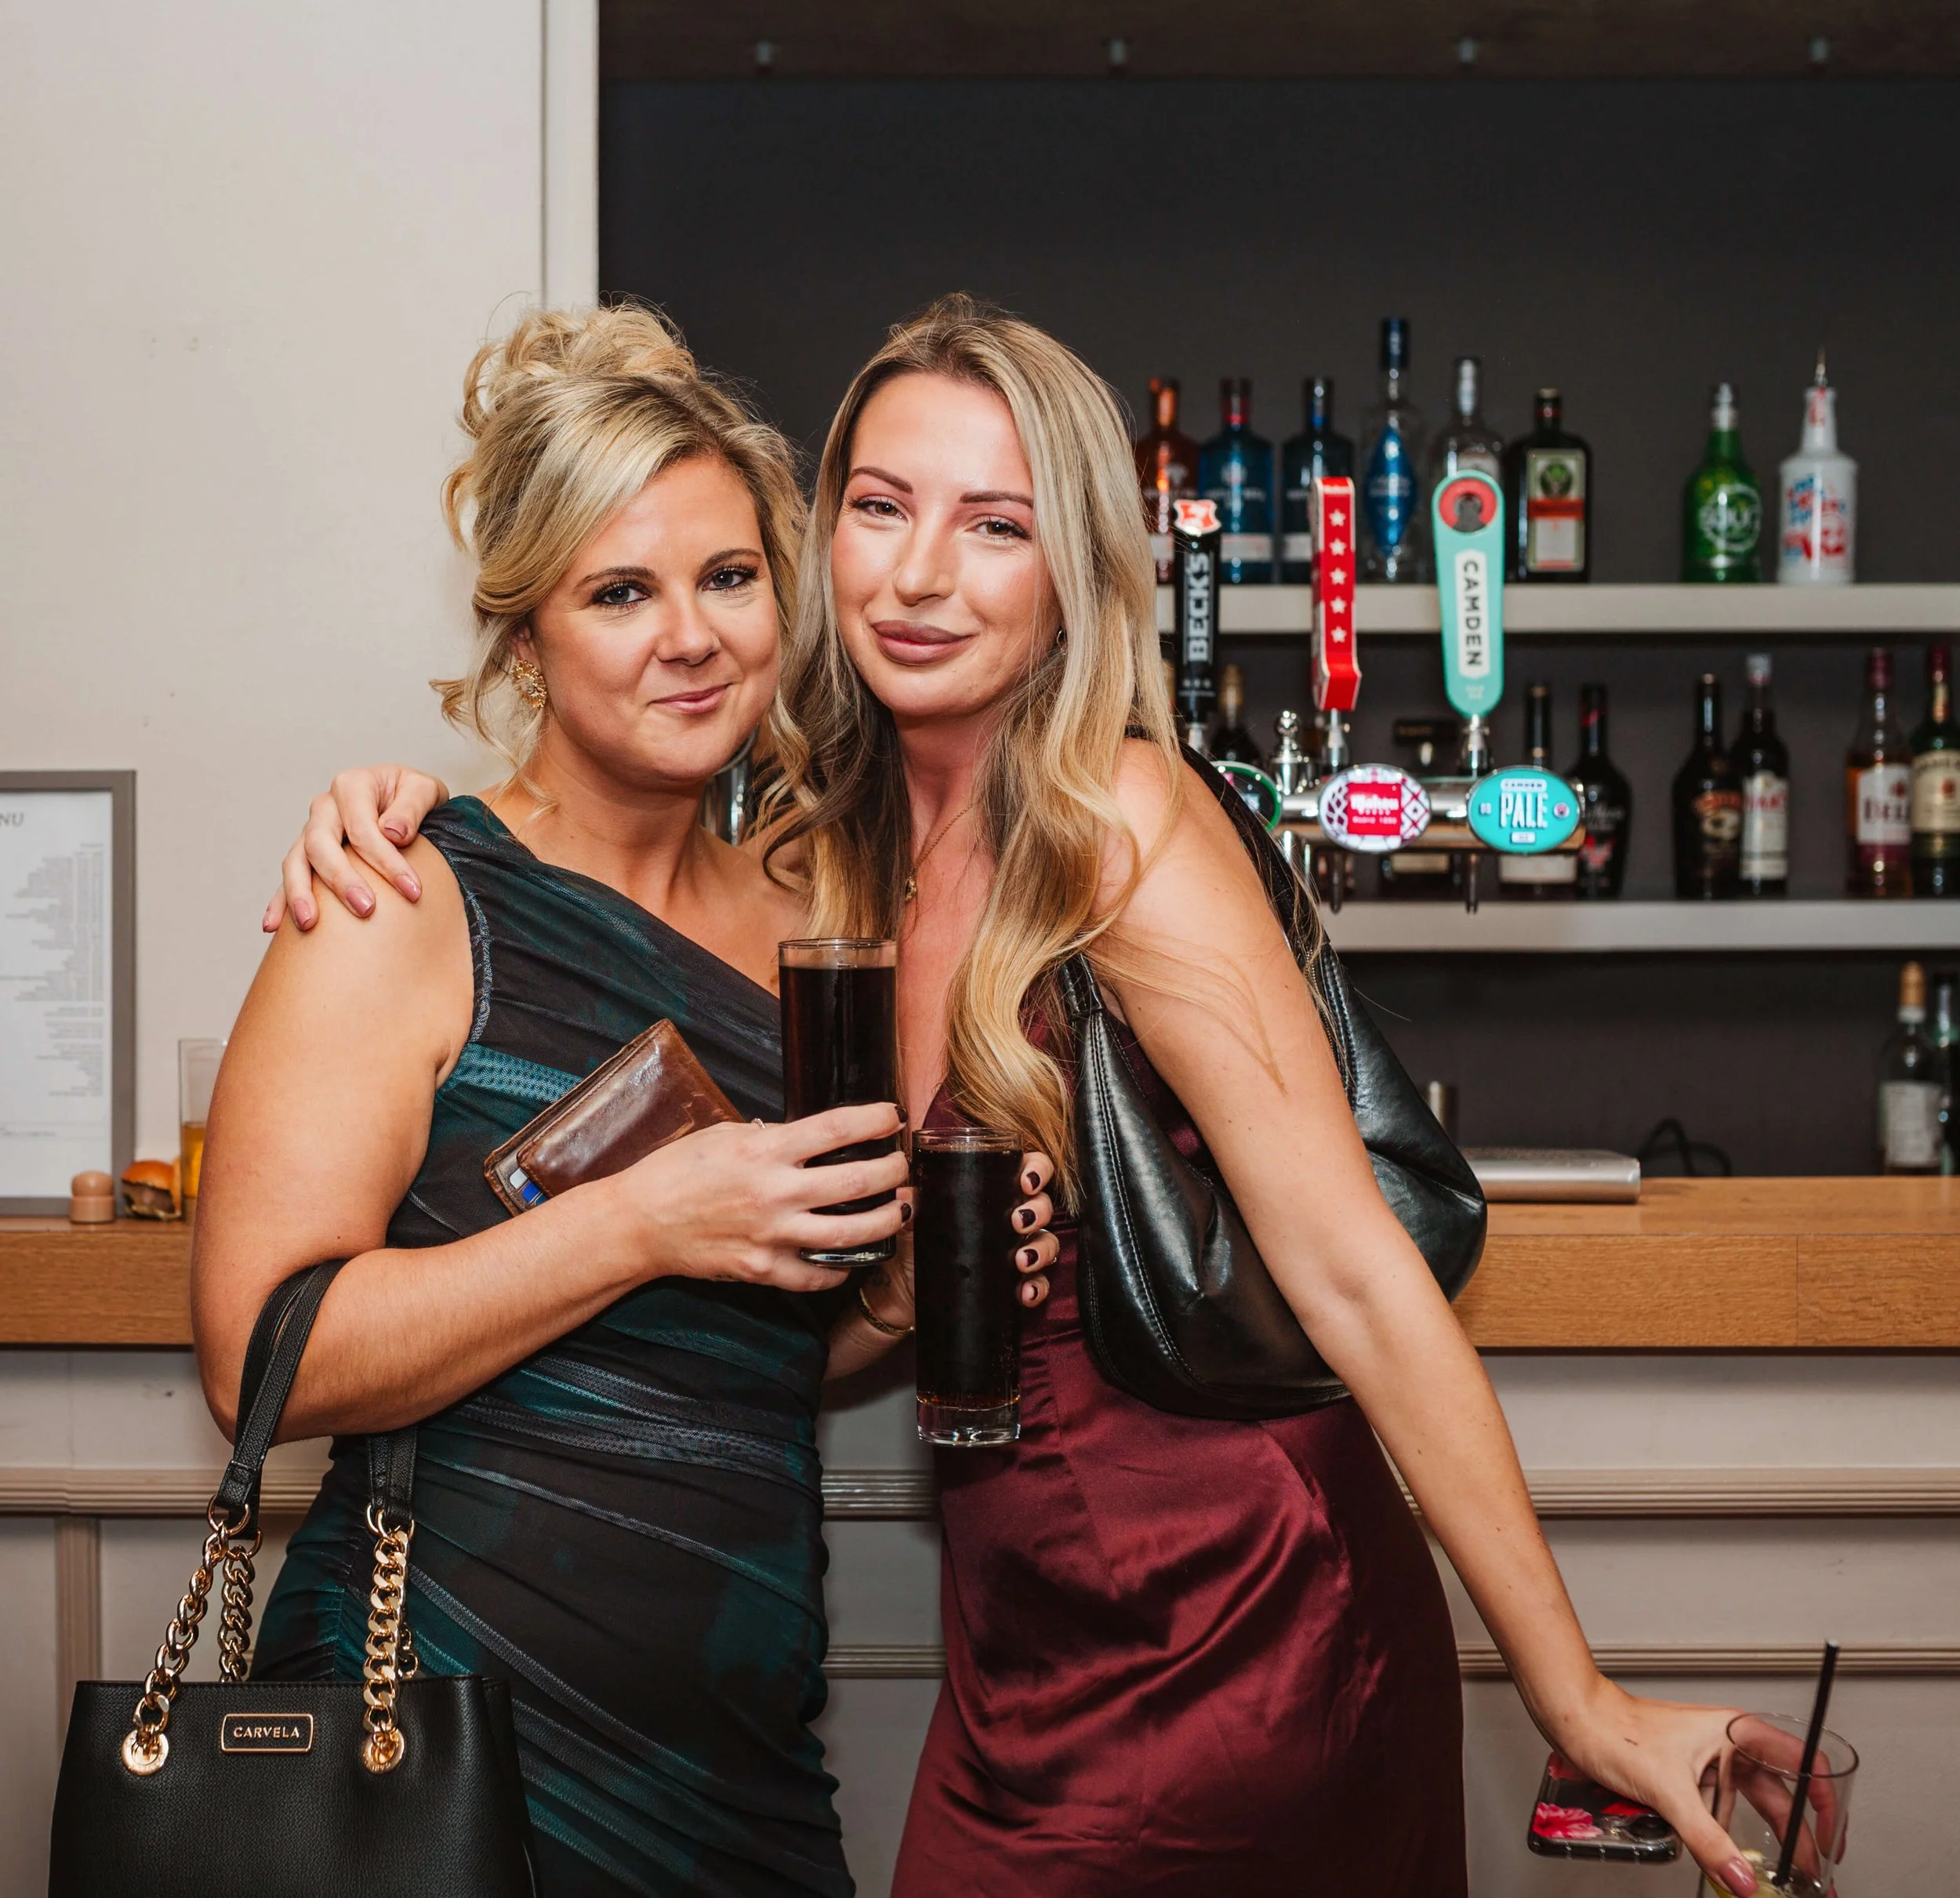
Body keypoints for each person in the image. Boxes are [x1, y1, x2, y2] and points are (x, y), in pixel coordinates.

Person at [272, 298, 1761, 1898]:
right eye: (880, 508)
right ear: (819, 538)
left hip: (1238, 1620)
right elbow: (801, 1272)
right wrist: (402, 804)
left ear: (1072, 578)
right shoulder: (818, 870)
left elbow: (1354, 1276)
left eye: (995, 526)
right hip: (1022, 1656)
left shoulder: (1112, 820)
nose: (920, 576)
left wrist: (1571, 1692)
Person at [193, 305, 1054, 1898]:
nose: (692, 637)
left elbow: (779, 1319)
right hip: (433, 1731)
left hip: (736, 1755)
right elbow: (262, 1356)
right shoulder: (406, 899)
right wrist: (645, 1217)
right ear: (523, 636)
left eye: (728, 578)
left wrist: (927, 1278)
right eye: (618, 593)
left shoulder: (821, 904)